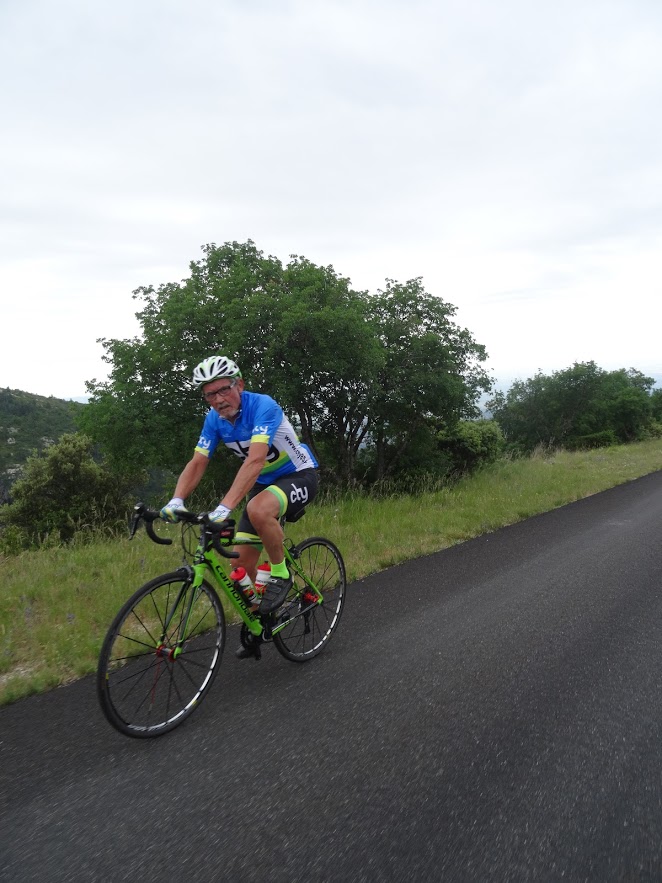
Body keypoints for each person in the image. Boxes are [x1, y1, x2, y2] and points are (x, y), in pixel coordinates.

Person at [160, 355, 319, 639]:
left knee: (258, 510)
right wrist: (176, 500)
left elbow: (255, 461)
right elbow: (198, 462)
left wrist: (224, 507)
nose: (219, 399)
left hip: (299, 475)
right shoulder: (214, 420)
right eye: (210, 394)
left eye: (224, 389)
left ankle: (281, 572)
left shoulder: (263, 406)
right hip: (262, 486)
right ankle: (263, 622)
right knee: (240, 570)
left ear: (240, 385)